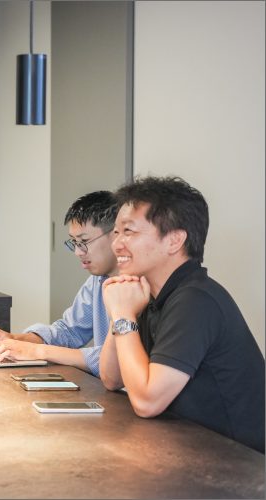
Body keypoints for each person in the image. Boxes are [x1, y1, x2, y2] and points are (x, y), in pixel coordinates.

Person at [100, 175, 264, 452]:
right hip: (188, 448)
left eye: (128, 231)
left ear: (174, 240)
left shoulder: (196, 299)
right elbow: (111, 378)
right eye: (115, 232)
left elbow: (147, 402)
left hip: (239, 462)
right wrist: (120, 312)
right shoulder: (150, 293)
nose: (116, 244)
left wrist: (124, 314)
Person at [0, 191, 118, 377]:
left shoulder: (141, 287)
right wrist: (15, 339)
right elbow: (69, 332)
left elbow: (115, 362)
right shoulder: (97, 281)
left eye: (84, 241)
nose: (78, 252)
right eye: (74, 242)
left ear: (116, 235)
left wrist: (37, 351)